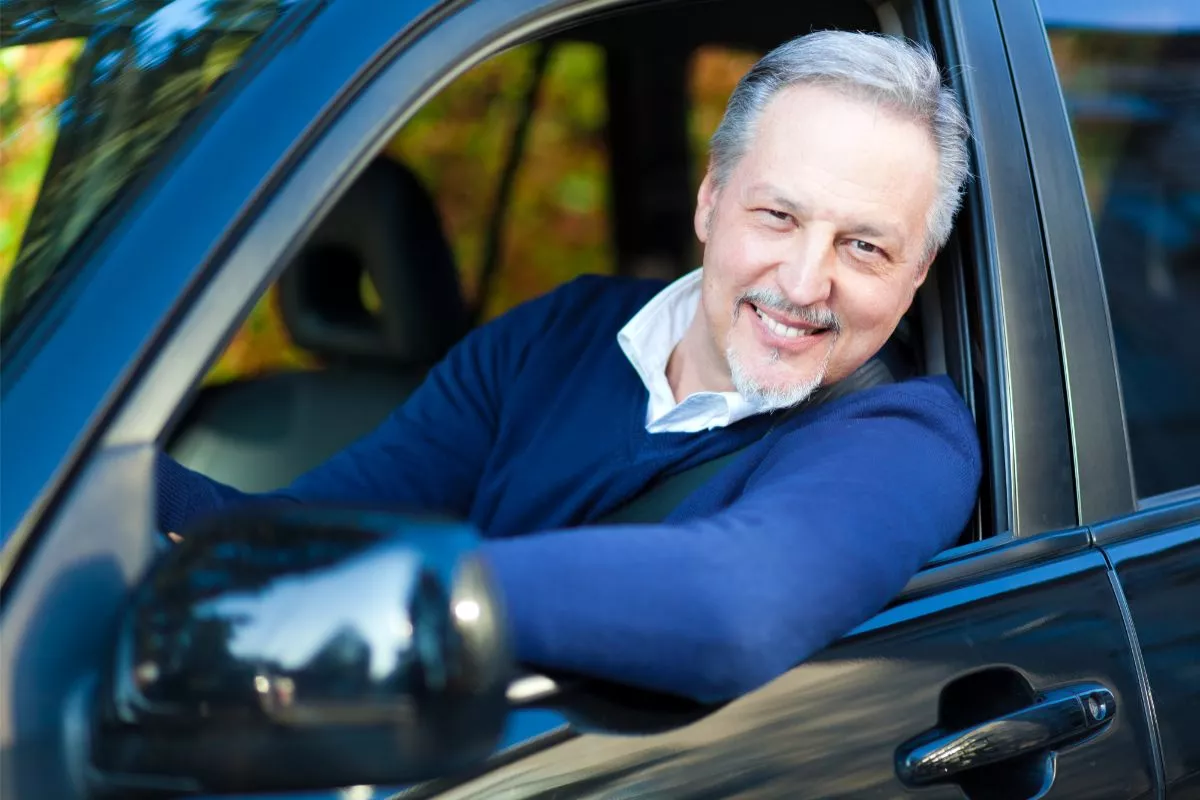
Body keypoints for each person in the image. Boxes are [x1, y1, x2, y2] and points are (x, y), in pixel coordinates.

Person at [158, 30, 981, 703]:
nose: (804, 282)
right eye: (777, 216)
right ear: (710, 200)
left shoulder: (904, 440)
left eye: (863, 246)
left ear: (918, 270)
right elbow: (300, 534)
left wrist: (366, 589)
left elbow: (735, 609)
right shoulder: (561, 333)